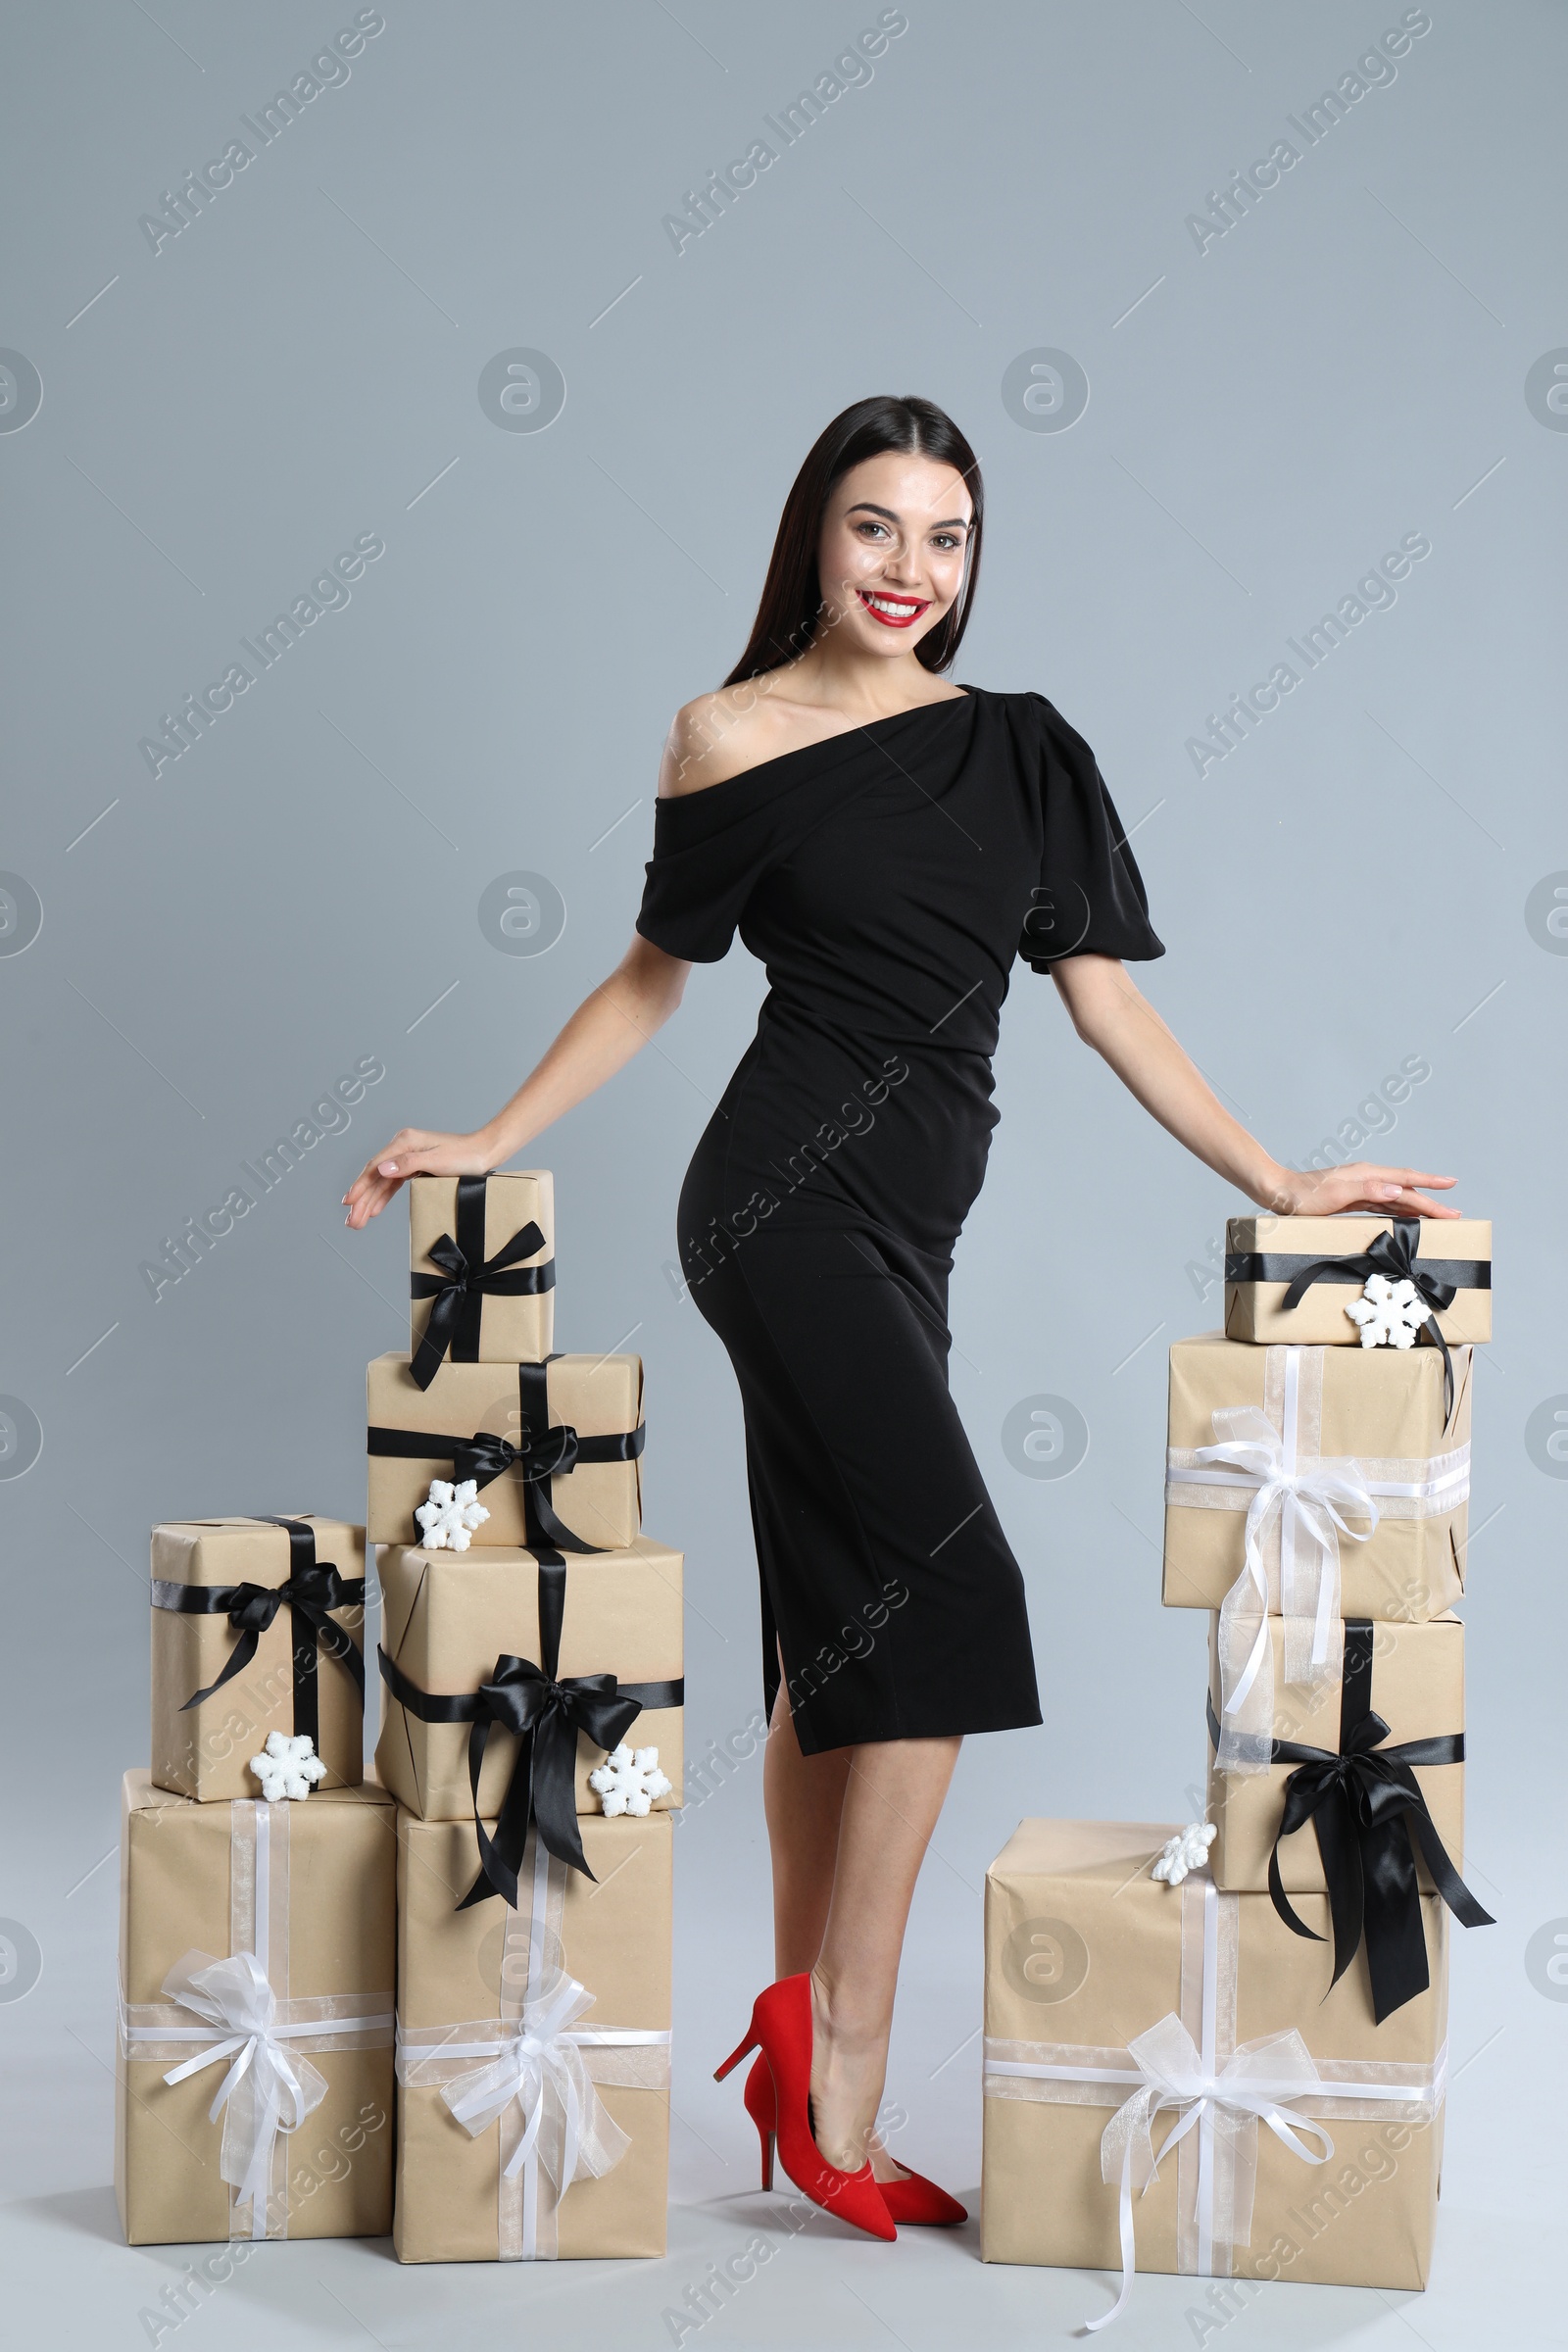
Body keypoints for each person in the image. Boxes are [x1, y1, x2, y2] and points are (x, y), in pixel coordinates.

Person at [345, 394, 1457, 2238]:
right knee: (950, 1593)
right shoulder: (732, 735)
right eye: (876, 529)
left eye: (945, 540)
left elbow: (1105, 1005)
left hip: (915, 1226)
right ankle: (841, 2065)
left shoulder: (1024, 750)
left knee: (841, 1630)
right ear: (815, 535)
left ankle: (790, 2040)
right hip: (777, 1204)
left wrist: (1276, 1177)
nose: (908, 572)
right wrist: (488, 1132)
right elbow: (652, 979)